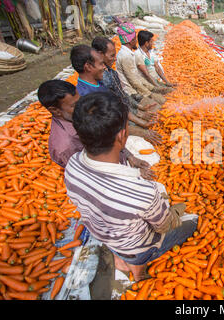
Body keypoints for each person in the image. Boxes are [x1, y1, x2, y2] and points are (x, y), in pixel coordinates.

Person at [64, 92, 198, 282]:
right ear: (122, 135)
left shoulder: (72, 165)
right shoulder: (141, 193)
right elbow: (163, 226)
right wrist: (175, 212)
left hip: (105, 236)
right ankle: (138, 269)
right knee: (192, 223)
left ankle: (123, 259)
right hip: (136, 248)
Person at [37, 80, 153, 178]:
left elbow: (110, 137)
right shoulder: (65, 147)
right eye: (74, 105)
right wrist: (132, 174)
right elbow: (93, 176)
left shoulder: (81, 115)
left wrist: (129, 157)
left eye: (80, 100)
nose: (82, 105)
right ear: (55, 111)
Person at [91, 36, 162, 145]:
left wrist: (138, 109)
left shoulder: (111, 72)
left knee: (158, 112)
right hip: (120, 120)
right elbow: (112, 113)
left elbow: (121, 96)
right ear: (100, 54)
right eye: (112, 55)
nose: (115, 58)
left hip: (127, 110)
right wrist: (140, 123)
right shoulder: (98, 81)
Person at [115, 22, 167, 105]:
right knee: (160, 105)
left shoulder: (129, 54)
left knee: (165, 97)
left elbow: (137, 77)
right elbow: (133, 81)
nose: (136, 41)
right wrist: (150, 93)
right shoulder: (126, 56)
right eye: (135, 39)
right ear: (131, 41)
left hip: (138, 88)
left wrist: (152, 88)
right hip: (131, 92)